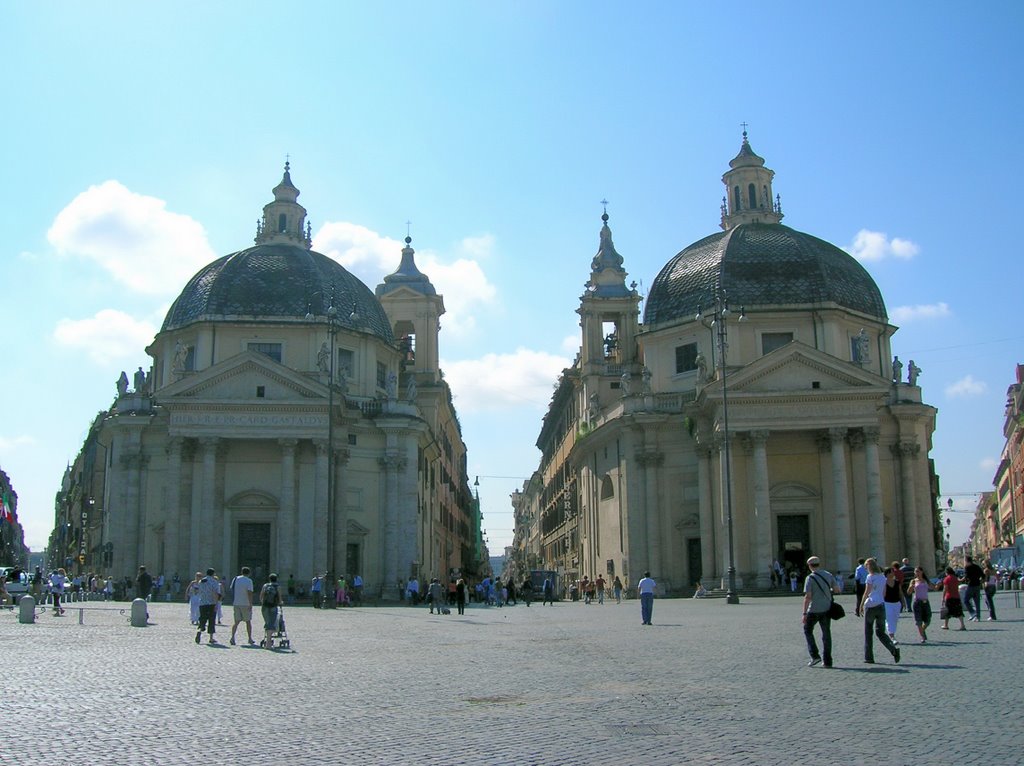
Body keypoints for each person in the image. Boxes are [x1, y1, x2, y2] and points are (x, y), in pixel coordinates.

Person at [860, 558, 900, 664]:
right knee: (881, 632)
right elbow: (884, 593)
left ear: (869, 567)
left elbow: (866, 592)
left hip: (870, 606)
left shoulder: (870, 577)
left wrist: (860, 605)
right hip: (881, 606)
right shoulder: (883, 577)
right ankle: (893, 649)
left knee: (868, 632)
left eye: (866, 567)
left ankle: (869, 657)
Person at [802, 556, 839, 667]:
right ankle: (827, 661)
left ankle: (815, 656)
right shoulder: (828, 575)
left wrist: (804, 613)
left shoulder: (810, 578)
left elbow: (808, 597)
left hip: (813, 609)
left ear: (809, 566)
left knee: (808, 630)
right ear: (819, 564)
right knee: (826, 634)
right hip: (827, 608)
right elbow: (837, 590)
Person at [195, 568, 222, 645]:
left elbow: (198, 590)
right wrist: (216, 604)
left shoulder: (201, 581)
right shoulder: (214, 582)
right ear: (213, 574)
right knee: (211, 620)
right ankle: (211, 638)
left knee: (202, 619)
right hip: (211, 603)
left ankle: (199, 631)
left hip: (202, 603)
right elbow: (216, 594)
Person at [229, 566, 255, 646]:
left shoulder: (236, 579)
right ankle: (250, 638)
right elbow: (249, 593)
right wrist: (250, 603)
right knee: (248, 622)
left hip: (236, 602)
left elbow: (231, 588)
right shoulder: (249, 581)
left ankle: (232, 637)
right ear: (249, 573)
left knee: (236, 622)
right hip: (245, 603)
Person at [908, 567, 934, 643]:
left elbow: (934, 588)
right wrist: (911, 587)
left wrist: (938, 585)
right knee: (918, 621)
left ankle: (922, 630)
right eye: (915, 572)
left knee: (928, 620)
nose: (917, 573)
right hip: (917, 602)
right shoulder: (913, 581)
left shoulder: (926, 580)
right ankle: (922, 636)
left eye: (918, 571)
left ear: (922, 572)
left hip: (926, 602)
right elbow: (909, 592)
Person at [259, 573, 282, 649]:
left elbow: (261, 596)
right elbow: (279, 597)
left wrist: (263, 602)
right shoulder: (277, 587)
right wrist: (280, 602)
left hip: (265, 607)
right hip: (273, 606)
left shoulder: (265, 586)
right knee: (271, 624)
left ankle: (268, 641)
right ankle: (268, 644)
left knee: (267, 623)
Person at [940, 566, 967, 631]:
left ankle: (946, 625)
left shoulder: (946, 579)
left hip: (949, 597)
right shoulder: (955, 578)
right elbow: (958, 583)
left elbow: (945, 589)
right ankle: (962, 625)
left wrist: (943, 597)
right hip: (956, 596)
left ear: (947, 572)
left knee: (947, 611)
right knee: (959, 611)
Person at [883, 563, 902, 644]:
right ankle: (892, 636)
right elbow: (883, 594)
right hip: (887, 603)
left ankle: (892, 634)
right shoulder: (884, 582)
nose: (893, 573)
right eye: (891, 572)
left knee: (895, 619)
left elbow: (900, 592)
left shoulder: (897, 582)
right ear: (887, 574)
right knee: (889, 619)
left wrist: (903, 602)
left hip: (897, 603)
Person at [962, 555, 984, 622]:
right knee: (977, 602)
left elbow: (966, 577)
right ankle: (978, 617)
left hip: (971, 585)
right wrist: (980, 581)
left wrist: (961, 580)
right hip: (977, 585)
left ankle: (972, 613)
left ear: (966, 561)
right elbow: (983, 575)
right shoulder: (977, 567)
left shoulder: (967, 568)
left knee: (966, 600)